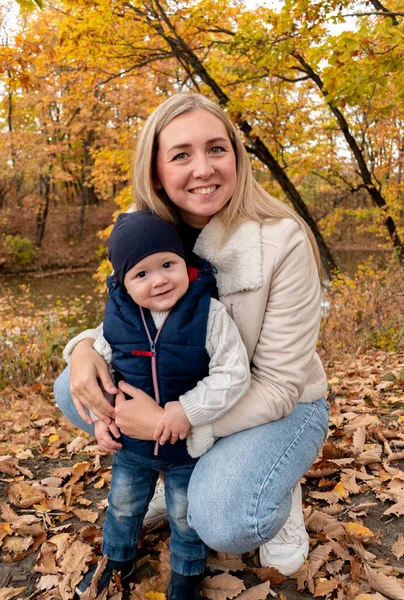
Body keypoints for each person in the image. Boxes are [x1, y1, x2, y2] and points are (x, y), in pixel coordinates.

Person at [54, 93, 329, 583]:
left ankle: (273, 485)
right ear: (157, 170)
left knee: (225, 520)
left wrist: (169, 423)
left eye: (217, 149)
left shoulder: (283, 239)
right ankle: (184, 470)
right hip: (186, 393)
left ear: (237, 158)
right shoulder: (150, 233)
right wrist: (80, 349)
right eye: (181, 154)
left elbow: (280, 385)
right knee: (70, 387)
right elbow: (126, 321)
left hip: (279, 403)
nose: (203, 168)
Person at [74, 210, 250, 599]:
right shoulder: (116, 319)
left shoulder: (209, 314)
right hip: (132, 445)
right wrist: (103, 419)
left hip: (188, 445)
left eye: (168, 265)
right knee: (121, 506)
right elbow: (101, 375)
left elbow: (233, 374)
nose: (159, 280)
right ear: (122, 281)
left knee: (185, 517)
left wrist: (185, 410)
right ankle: (117, 560)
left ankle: (186, 576)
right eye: (142, 274)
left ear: (184, 264)